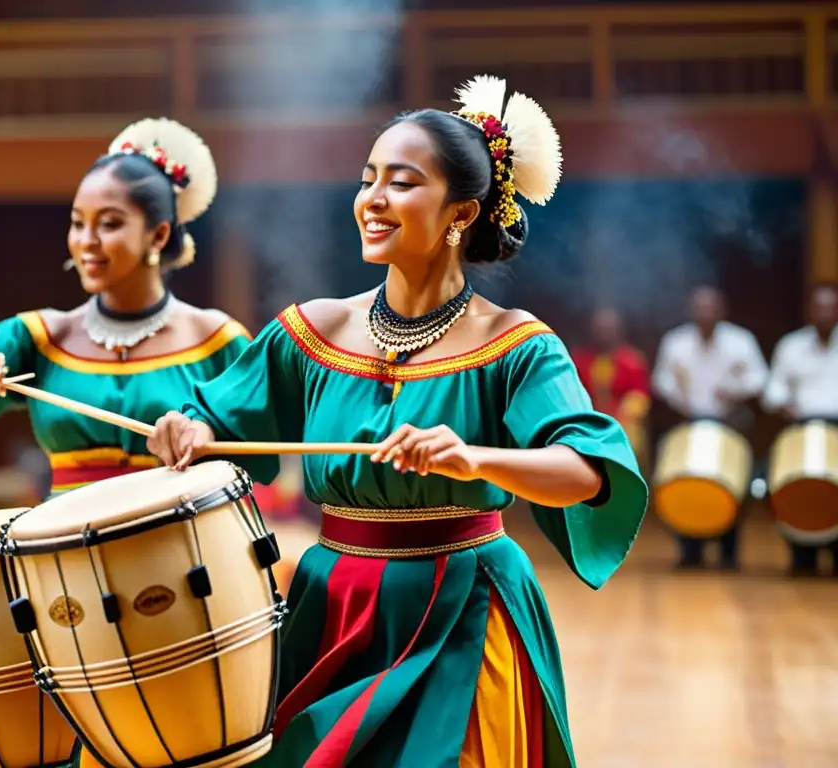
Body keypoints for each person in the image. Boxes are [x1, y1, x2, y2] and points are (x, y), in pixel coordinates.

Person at [148, 74, 647, 768]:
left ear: (461, 213)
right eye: (367, 178)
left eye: (402, 183)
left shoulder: (516, 343)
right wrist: (188, 429)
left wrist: (475, 460)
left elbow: (586, 472)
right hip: (331, 610)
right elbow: (210, 415)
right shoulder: (310, 331)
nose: (372, 200)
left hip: (465, 611)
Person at [0, 117, 249, 768]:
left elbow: (253, 445)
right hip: (56, 569)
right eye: (78, 222)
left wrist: (207, 441)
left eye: (109, 223)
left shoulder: (218, 339)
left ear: (158, 234)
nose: (87, 241)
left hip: (181, 572)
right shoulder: (42, 337)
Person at [651, 285, 768, 570]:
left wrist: (735, 393)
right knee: (684, 479)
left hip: (730, 423)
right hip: (690, 422)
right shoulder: (676, 342)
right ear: (692, 311)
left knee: (733, 484)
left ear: (721, 310)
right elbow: (661, 382)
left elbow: (760, 379)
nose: (705, 313)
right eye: (699, 308)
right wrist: (680, 398)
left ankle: (729, 552)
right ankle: (689, 550)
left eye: (711, 307)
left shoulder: (741, 341)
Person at [762, 283, 838, 576]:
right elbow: (773, 389)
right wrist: (785, 405)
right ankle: (800, 553)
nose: (825, 314)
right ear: (810, 312)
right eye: (820, 308)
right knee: (793, 487)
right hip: (801, 428)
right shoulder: (790, 346)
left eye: (831, 308)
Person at [571, 307, 651, 466]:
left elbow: (639, 396)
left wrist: (618, 419)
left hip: (622, 424)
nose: (604, 333)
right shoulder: (579, 359)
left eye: (608, 329)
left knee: (632, 438)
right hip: (587, 421)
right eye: (600, 329)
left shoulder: (633, 360)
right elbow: (572, 393)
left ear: (618, 331)